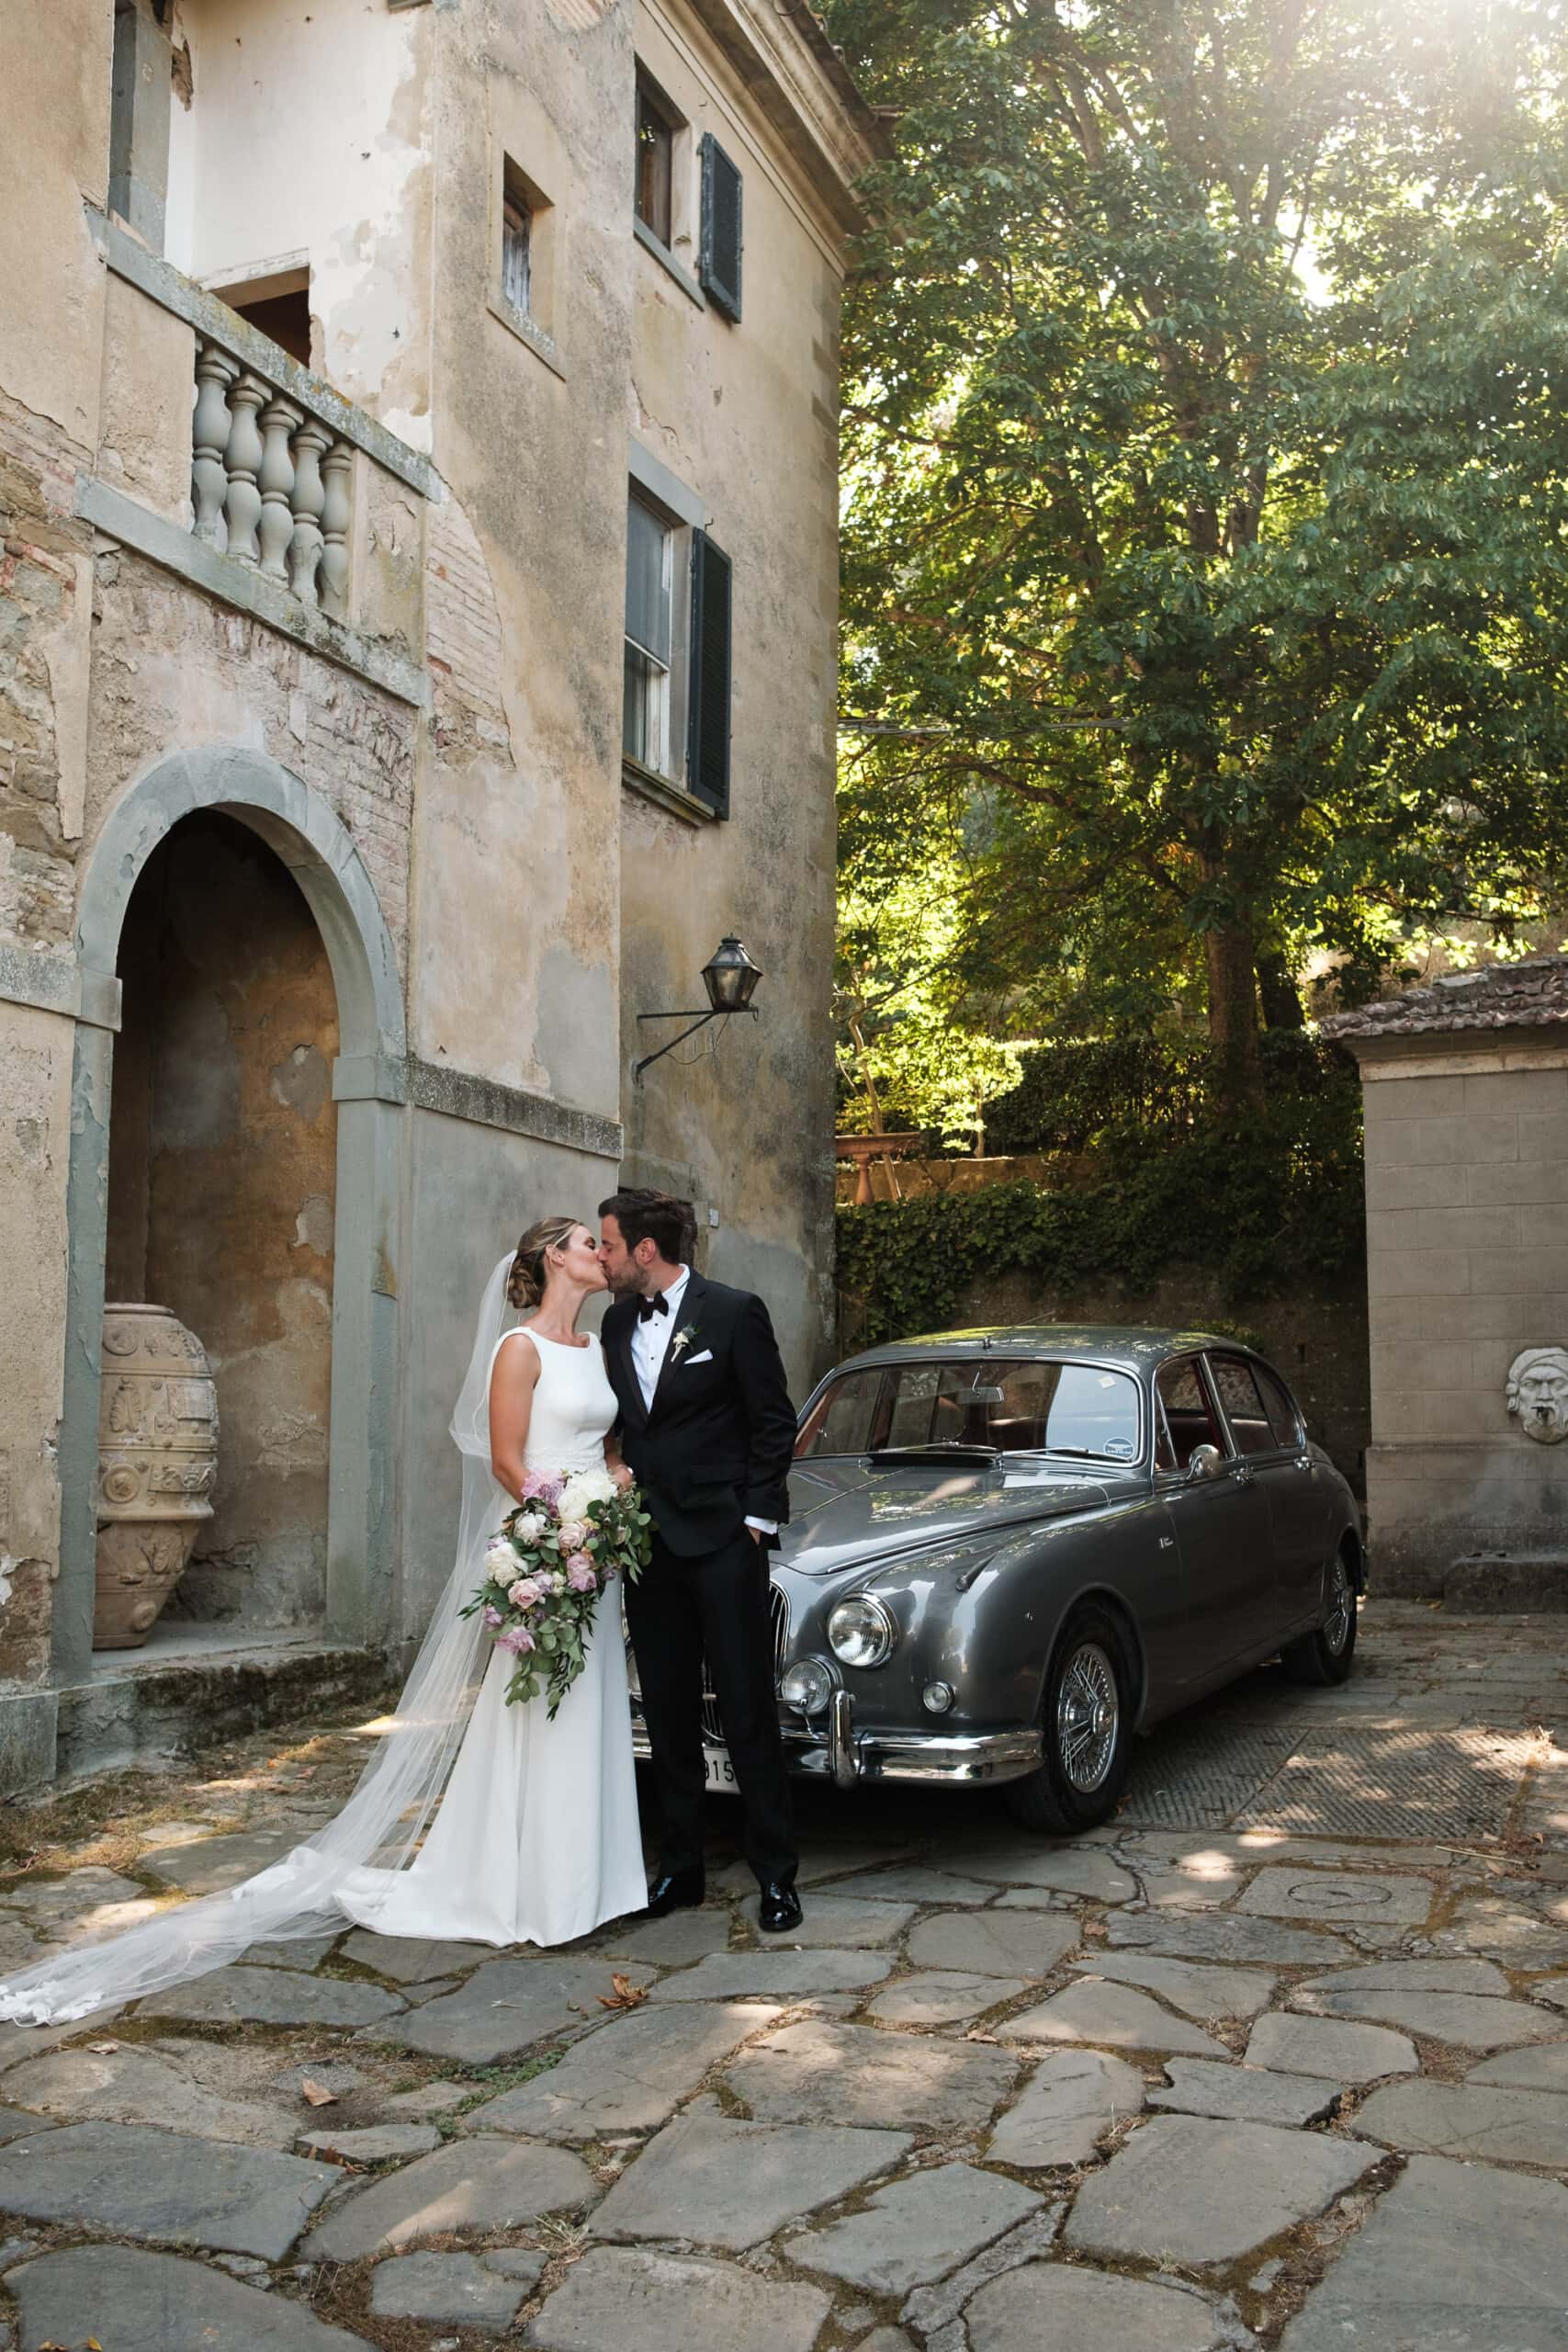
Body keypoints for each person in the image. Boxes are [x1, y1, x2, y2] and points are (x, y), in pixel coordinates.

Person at [0, 1216, 646, 2025]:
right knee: (534, 1707)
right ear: (554, 1257)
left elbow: (605, 1445)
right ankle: (528, 1885)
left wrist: (612, 1492)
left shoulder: (593, 1348)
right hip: (549, 1541)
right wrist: (562, 1527)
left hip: (595, 1547)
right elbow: (510, 1462)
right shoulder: (520, 1350)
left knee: (587, 1701)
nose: (602, 1254)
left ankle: (594, 1881)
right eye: (589, 1243)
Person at [599, 1188, 803, 1933]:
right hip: (648, 1545)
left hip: (722, 1542)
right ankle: (680, 1870)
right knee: (669, 1711)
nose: (605, 1257)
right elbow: (625, 1424)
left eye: (610, 1245)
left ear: (645, 1250)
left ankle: (776, 1876)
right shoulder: (617, 1319)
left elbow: (772, 1420)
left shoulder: (733, 1310)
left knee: (747, 1710)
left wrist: (753, 1519)